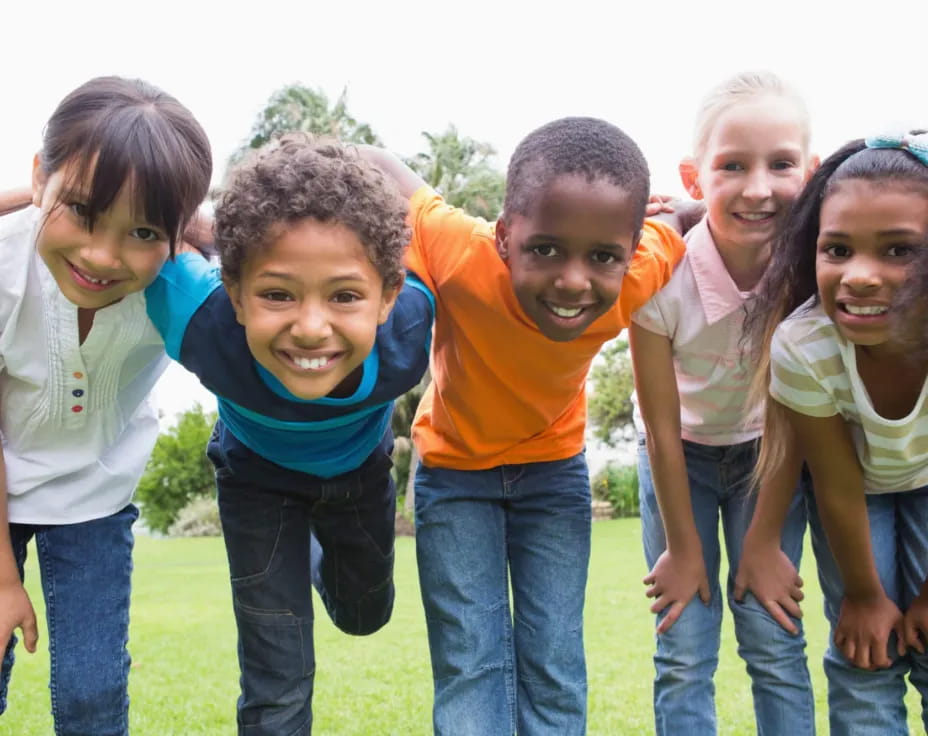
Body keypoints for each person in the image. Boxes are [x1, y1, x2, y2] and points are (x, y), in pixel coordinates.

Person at [362, 116, 686, 735]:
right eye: (545, 249)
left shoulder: (640, 273)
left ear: (628, 253)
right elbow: (381, 164)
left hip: (553, 478)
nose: (573, 279)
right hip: (455, 476)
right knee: (468, 660)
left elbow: (682, 223)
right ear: (506, 237)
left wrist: (692, 205)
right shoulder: (459, 250)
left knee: (555, 662)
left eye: (602, 256)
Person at [144, 132, 434, 735]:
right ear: (235, 295)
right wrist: (201, 227)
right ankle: (286, 554)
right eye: (276, 294)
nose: (310, 328)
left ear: (386, 299)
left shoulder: (408, 332)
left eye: (345, 296)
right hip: (257, 481)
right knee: (276, 677)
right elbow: (109, 218)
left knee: (364, 614)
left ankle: (311, 553)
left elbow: (470, 248)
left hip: (359, 476)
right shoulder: (200, 322)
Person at [0, 76, 211, 735]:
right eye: (83, 213)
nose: (101, 255)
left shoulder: (181, 286)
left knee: (92, 696)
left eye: (142, 230)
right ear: (40, 180)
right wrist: (4, 583)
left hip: (93, 494)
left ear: (176, 236)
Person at [630, 71, 818, 735]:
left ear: (811, 170)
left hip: (770, 454)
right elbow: (655, 426)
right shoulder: (660, 271)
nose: (759, 187)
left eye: (782, 164)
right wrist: (684, 548)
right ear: (694, 177)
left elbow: (798, 414)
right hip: (678, 454)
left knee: (773, 635)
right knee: (684, 645)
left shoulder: (812, 274)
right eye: (733, 165)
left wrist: (764, 541)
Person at [749, 130, 928, 735]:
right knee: (865, 652)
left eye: (900, 251)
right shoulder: (804, 346)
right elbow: (836, 480)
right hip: (857, 489)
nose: (861, 276)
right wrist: (865, 594)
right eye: (838, 250)